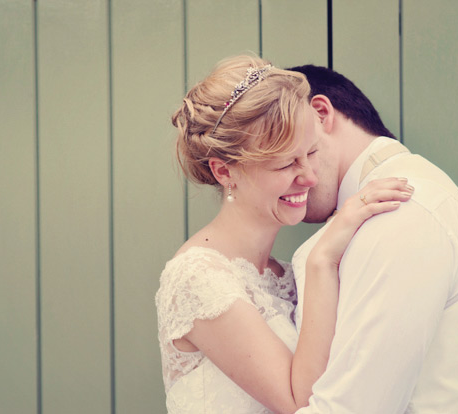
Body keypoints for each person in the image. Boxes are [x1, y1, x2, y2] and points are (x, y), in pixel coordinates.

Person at [155, 55, 413, 414]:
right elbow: (300, 402)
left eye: (310, 153)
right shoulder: (196, 278)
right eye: (285, 163)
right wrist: (323, 257)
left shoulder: (283, 276)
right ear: (224, 171)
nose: (309, 177)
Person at [287, 64, 458, 413]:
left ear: (319, 114)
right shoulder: (387, 203)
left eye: (283, 148)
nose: (288, 176)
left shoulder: (399, 206)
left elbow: (351, 408)